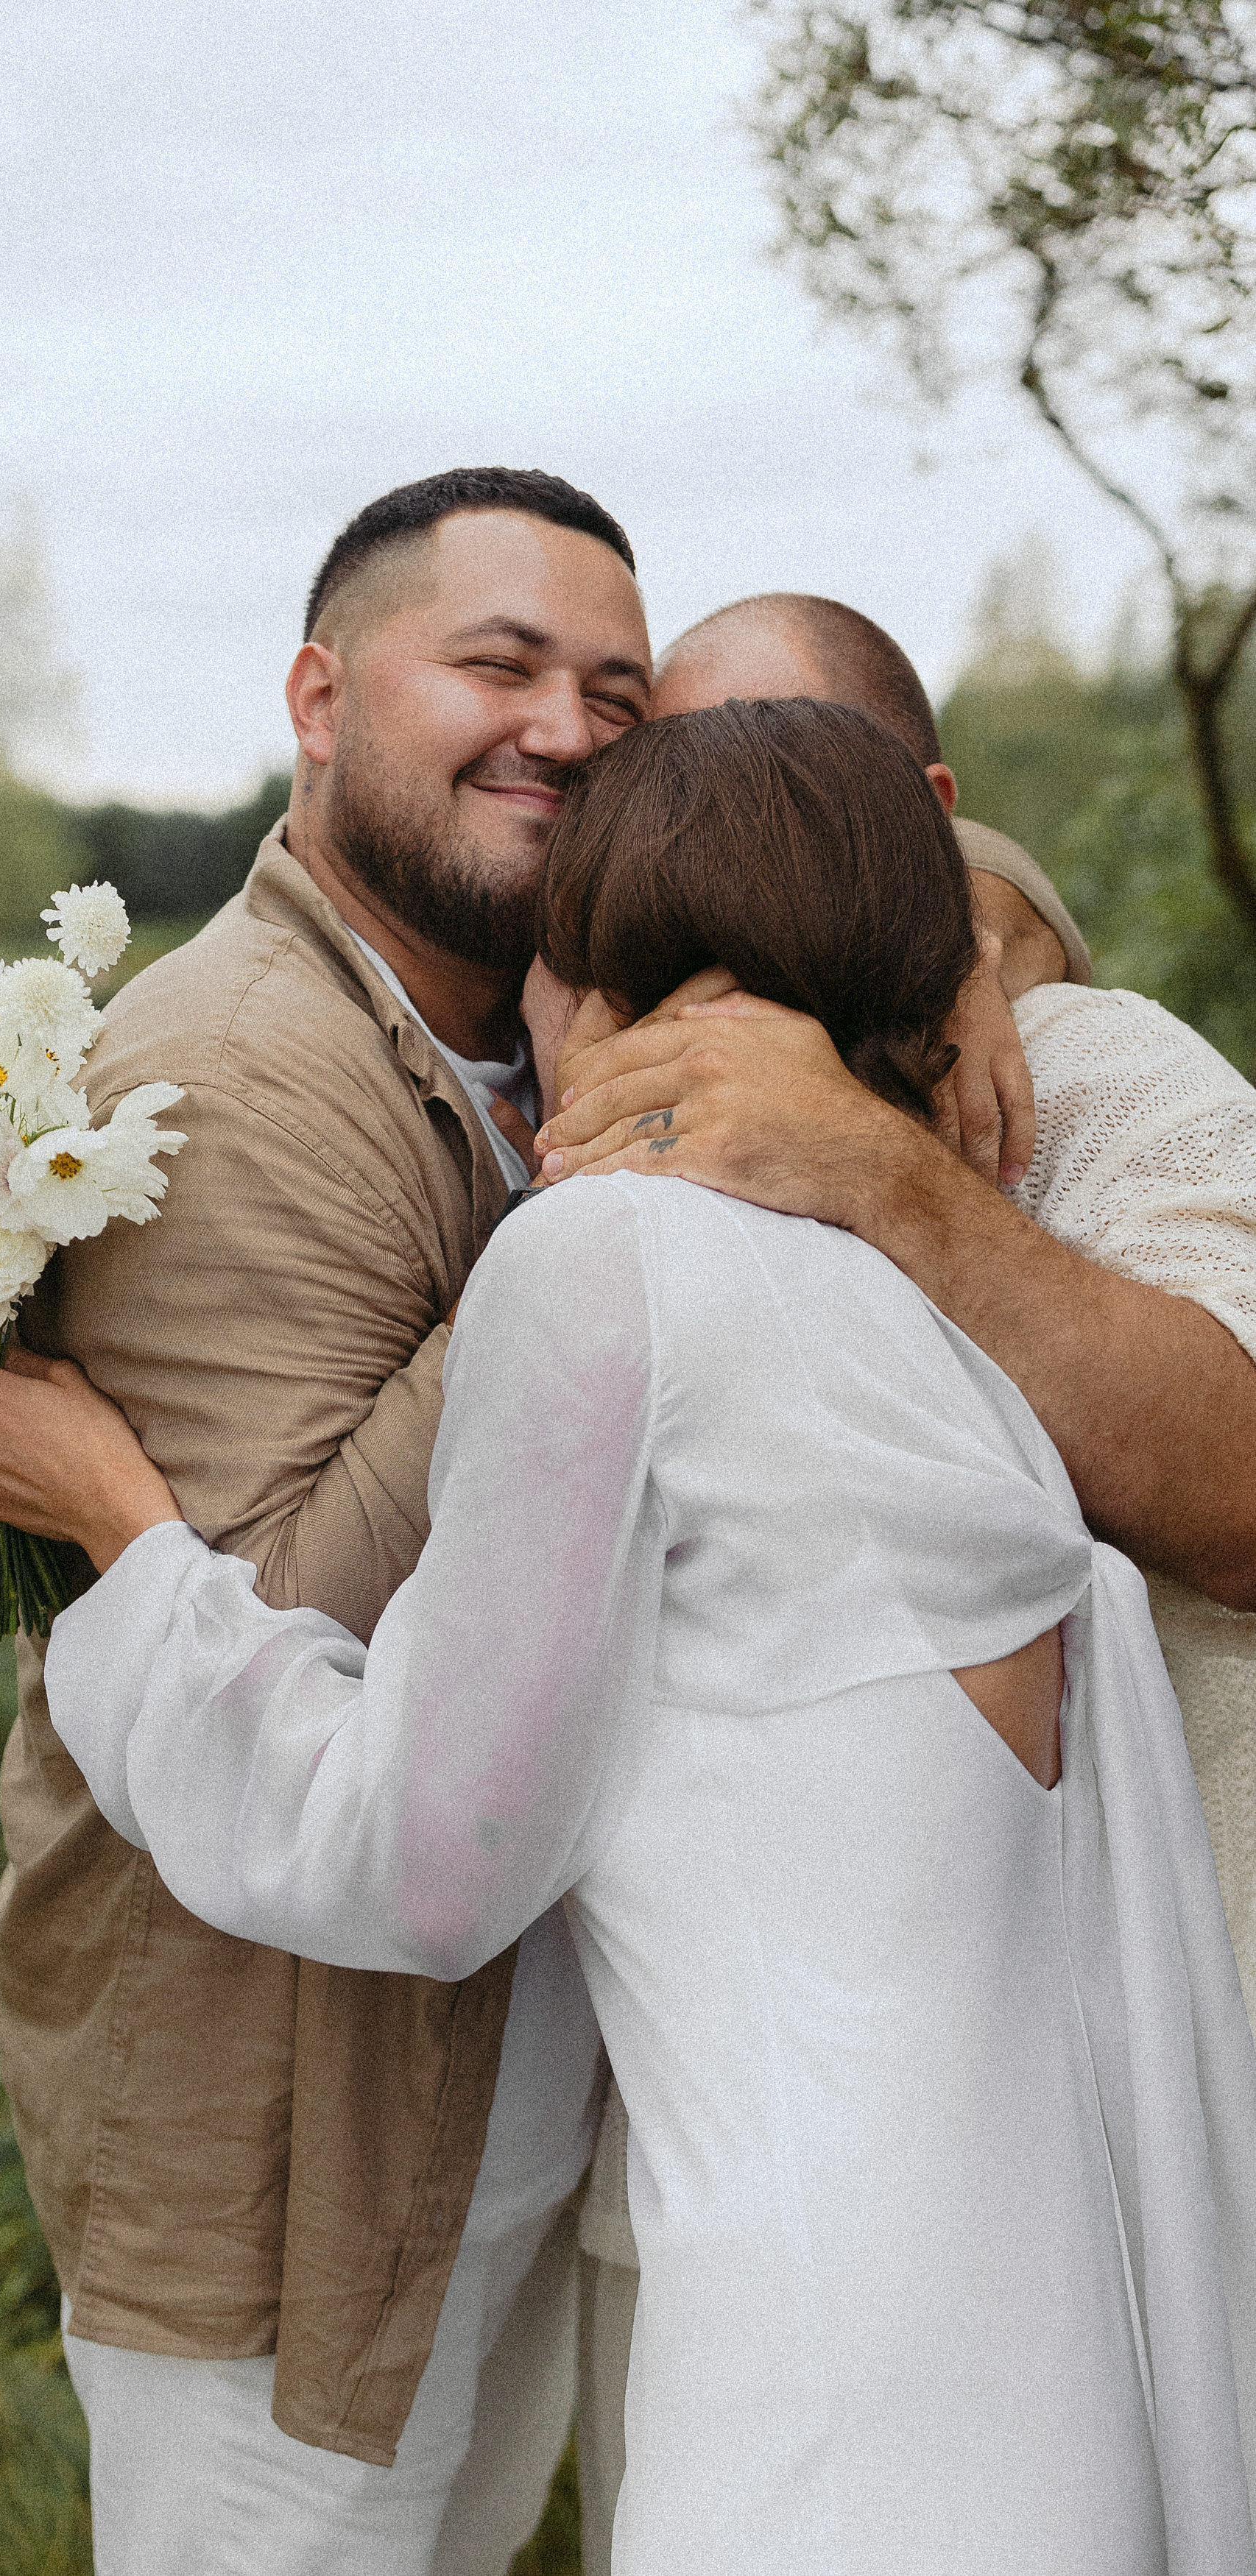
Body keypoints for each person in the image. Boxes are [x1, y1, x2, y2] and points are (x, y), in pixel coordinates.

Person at [0, 700, 1256, 2572]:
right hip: (1055, 2380)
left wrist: (125, 1537)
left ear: (611, 978)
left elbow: (424, 1861)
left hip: (811, 2430)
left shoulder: (605, 1263)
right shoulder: (960, 1293)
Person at [551, 592, 1256, 2572]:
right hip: (730, 2133)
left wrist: (870, 1163)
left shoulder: (1105, 1082)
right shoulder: (616, 1089)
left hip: (1144, 2122)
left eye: (800, 785)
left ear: (925, 819)